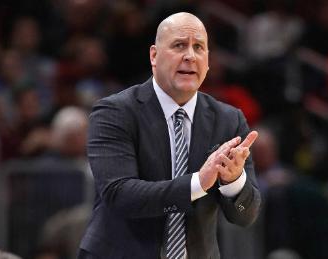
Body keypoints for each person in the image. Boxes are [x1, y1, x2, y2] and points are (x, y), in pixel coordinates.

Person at [78, 12, 261, 259]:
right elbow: (119, 194)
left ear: (207, 61)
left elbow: (244, 215)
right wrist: (198, 183)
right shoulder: (115, 112)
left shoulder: (229, 120)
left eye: (199, 47)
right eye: (179, 45)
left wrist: (234, 182)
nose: (189, 55)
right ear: (154, 55)